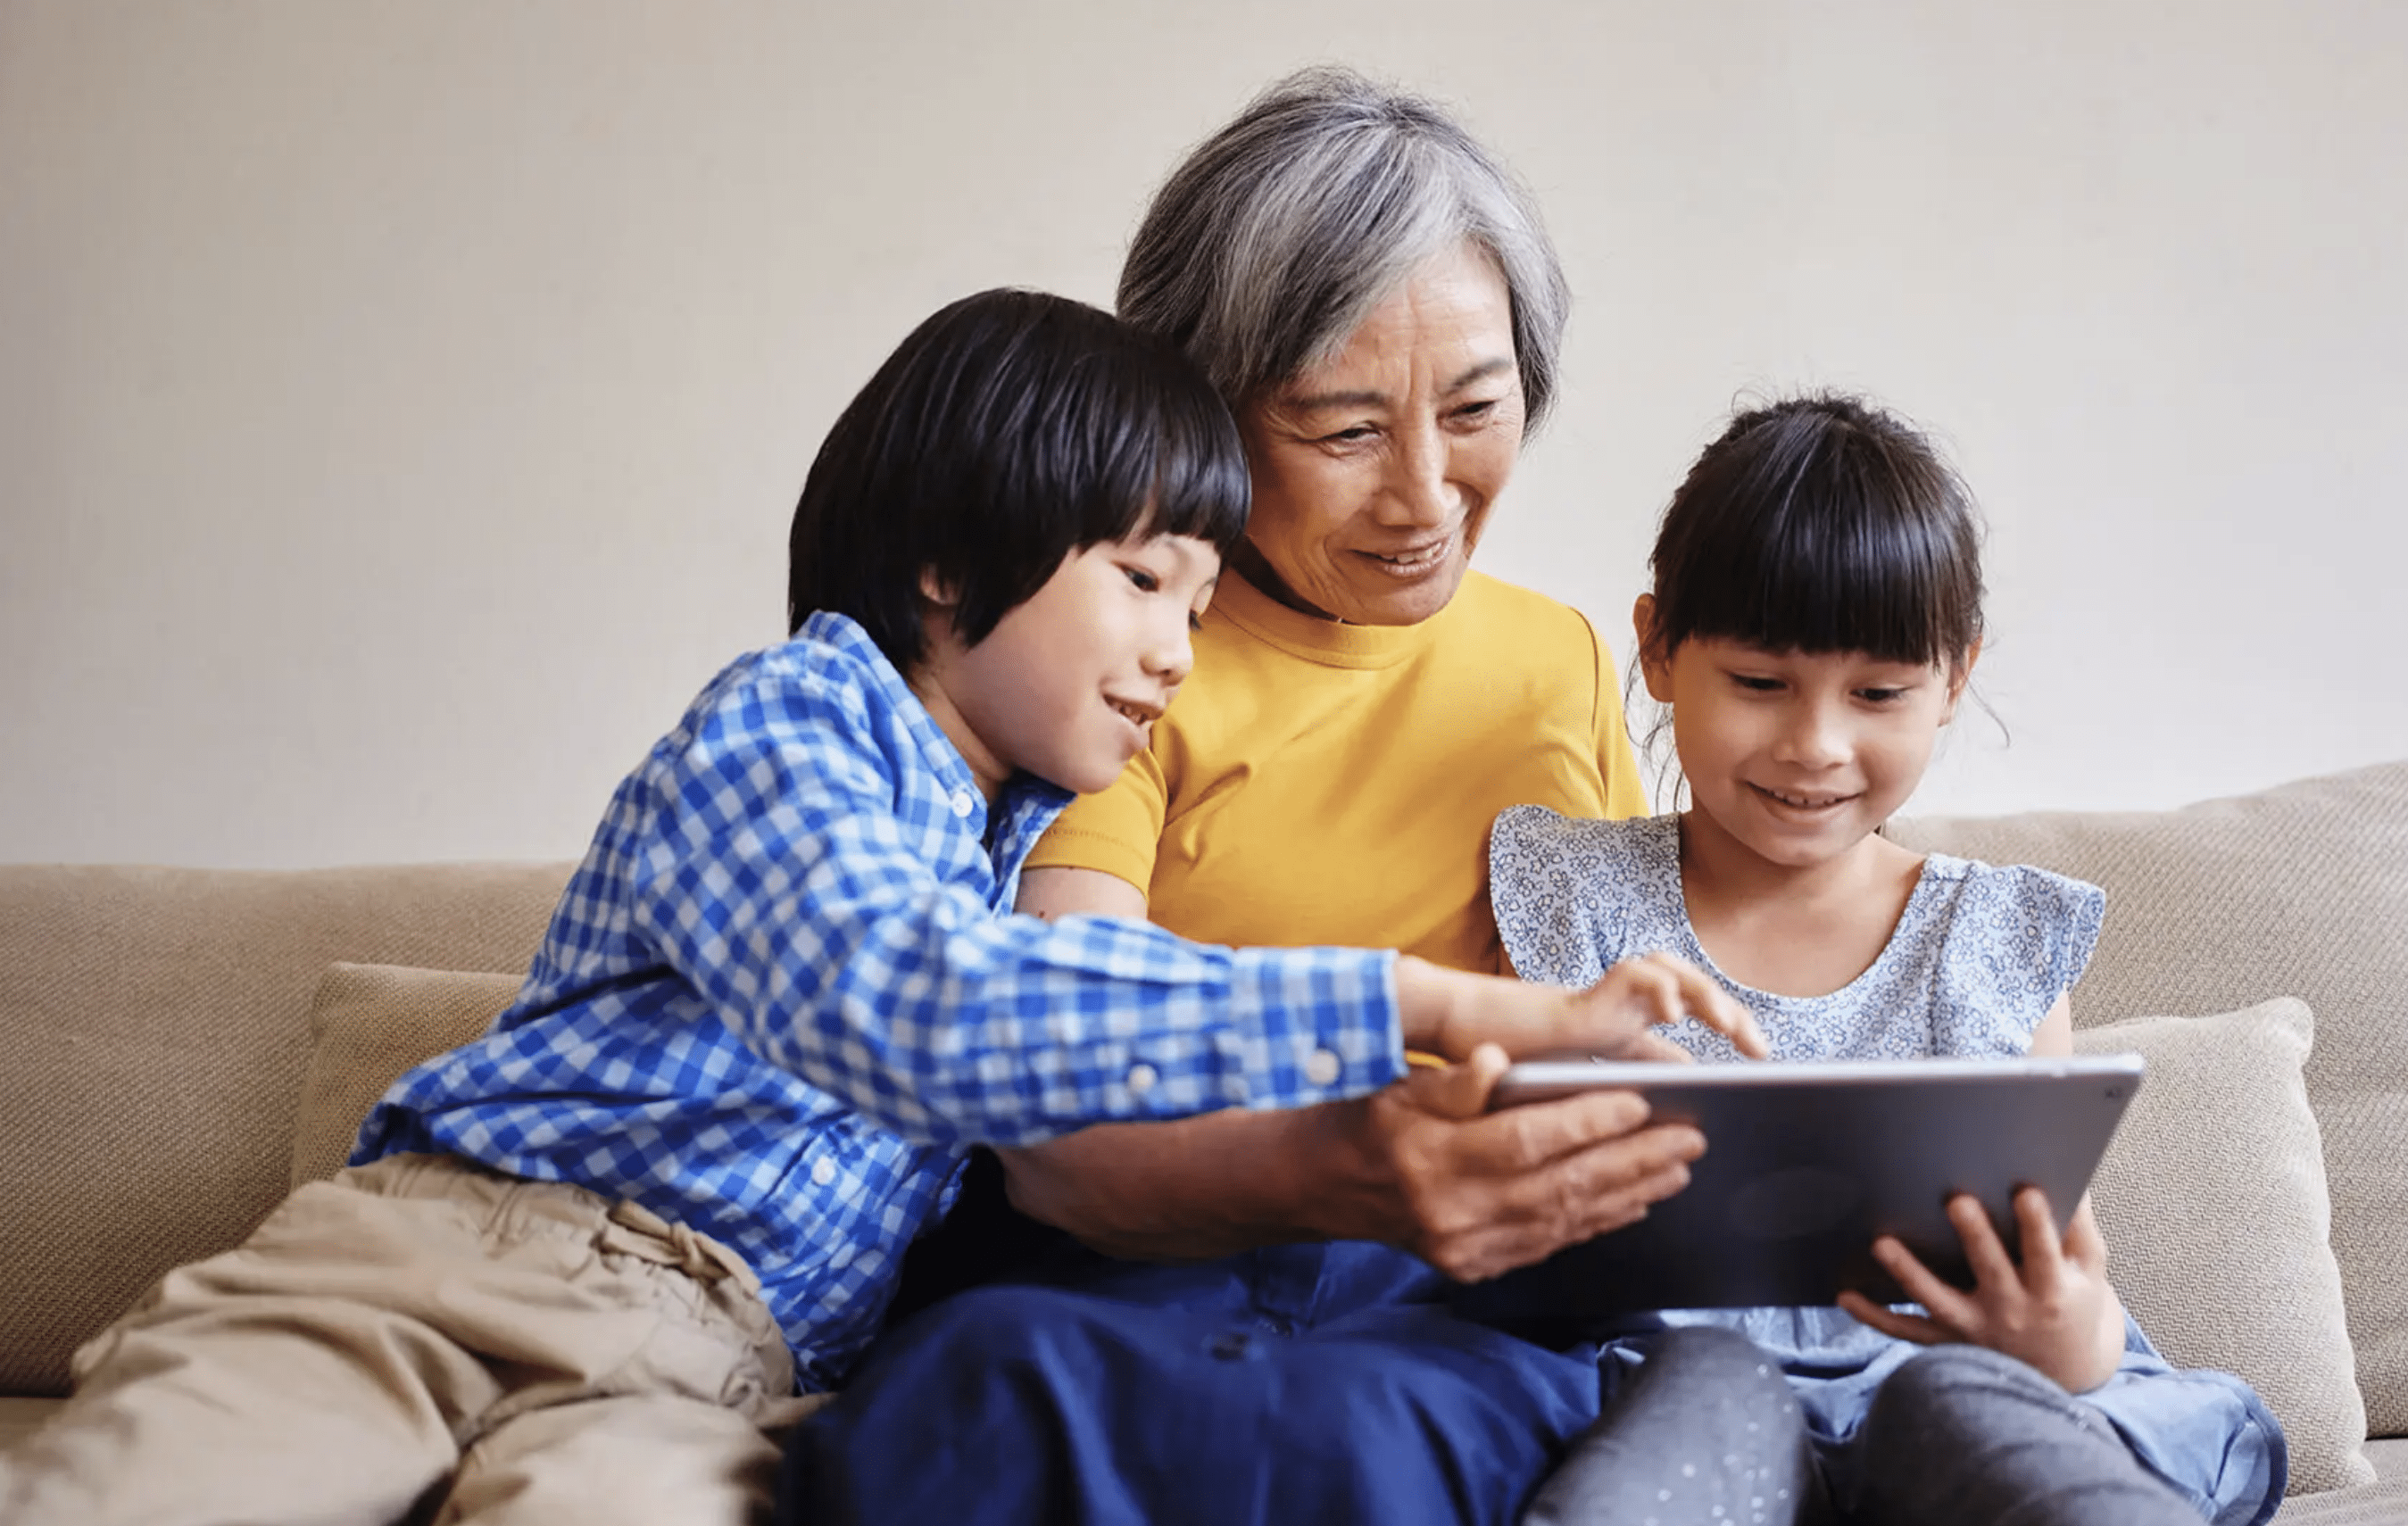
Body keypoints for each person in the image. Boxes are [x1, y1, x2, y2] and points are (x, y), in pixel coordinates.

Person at [0, 288, 1752, 1526]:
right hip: (462, 1257)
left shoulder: (1025, 836)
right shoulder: (790, 724)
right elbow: (926, 1010)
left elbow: (1089, 1096)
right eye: (1144, 583)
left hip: (712, 1378)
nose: (1174, 649)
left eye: (1200, 603)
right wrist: (1432, 1004)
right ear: (943, 565)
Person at [777, 69, 1762, 1526]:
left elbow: (1640, 1021)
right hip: (1152, 1263)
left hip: (1462, 1295)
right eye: (1345, 429)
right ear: (1209, 415)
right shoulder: (1113, 661)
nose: (1427, 493)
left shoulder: (1557, 661)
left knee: (1450, 1413)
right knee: (993, 1386)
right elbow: (1054, 1126)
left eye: (1477, 409)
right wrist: (1352, 1173)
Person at [1494, 394, 2289, 1526]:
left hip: (1959, 1380)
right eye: (1760, 684)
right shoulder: (1568, 897)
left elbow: (2071, 1276)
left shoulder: (1993, 943)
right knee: (1704, 1400)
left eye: (1877, 695)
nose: (1815, 745)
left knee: (1955, 1402)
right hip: (1676, 1384)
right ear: (1659, 649)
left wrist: (2061, 1339)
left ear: (1952, 682)